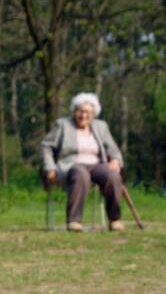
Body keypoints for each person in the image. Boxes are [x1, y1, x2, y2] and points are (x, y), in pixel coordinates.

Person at [40, 92, 125, 232]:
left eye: (88, 113)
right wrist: (50, 168)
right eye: (80, 111)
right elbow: (46, 146)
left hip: (96, 165)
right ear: (74, 111)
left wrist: (116, 160)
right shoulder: (63, 125)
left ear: (93, 114)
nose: (83, 115)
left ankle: (114, 220)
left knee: (113, 176)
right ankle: (74, 221)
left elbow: (113, 149)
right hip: (71, 165)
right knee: (81, 174)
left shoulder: (101, 126)